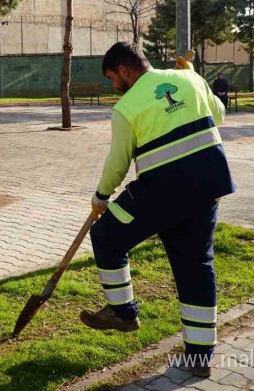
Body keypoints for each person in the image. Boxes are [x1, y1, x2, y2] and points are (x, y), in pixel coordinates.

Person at [81, 42, 236, 377]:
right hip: (207, 184)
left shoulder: (127, 107)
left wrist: (101, 196)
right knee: (195, 266)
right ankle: (200, 358)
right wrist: (194, 76)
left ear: (124, 70)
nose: (113, 86)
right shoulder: (189, 80)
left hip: (161, 191)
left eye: (112, 78)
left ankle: (122, 312)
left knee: (106, 235)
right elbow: (219, 114)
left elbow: (118, 161)